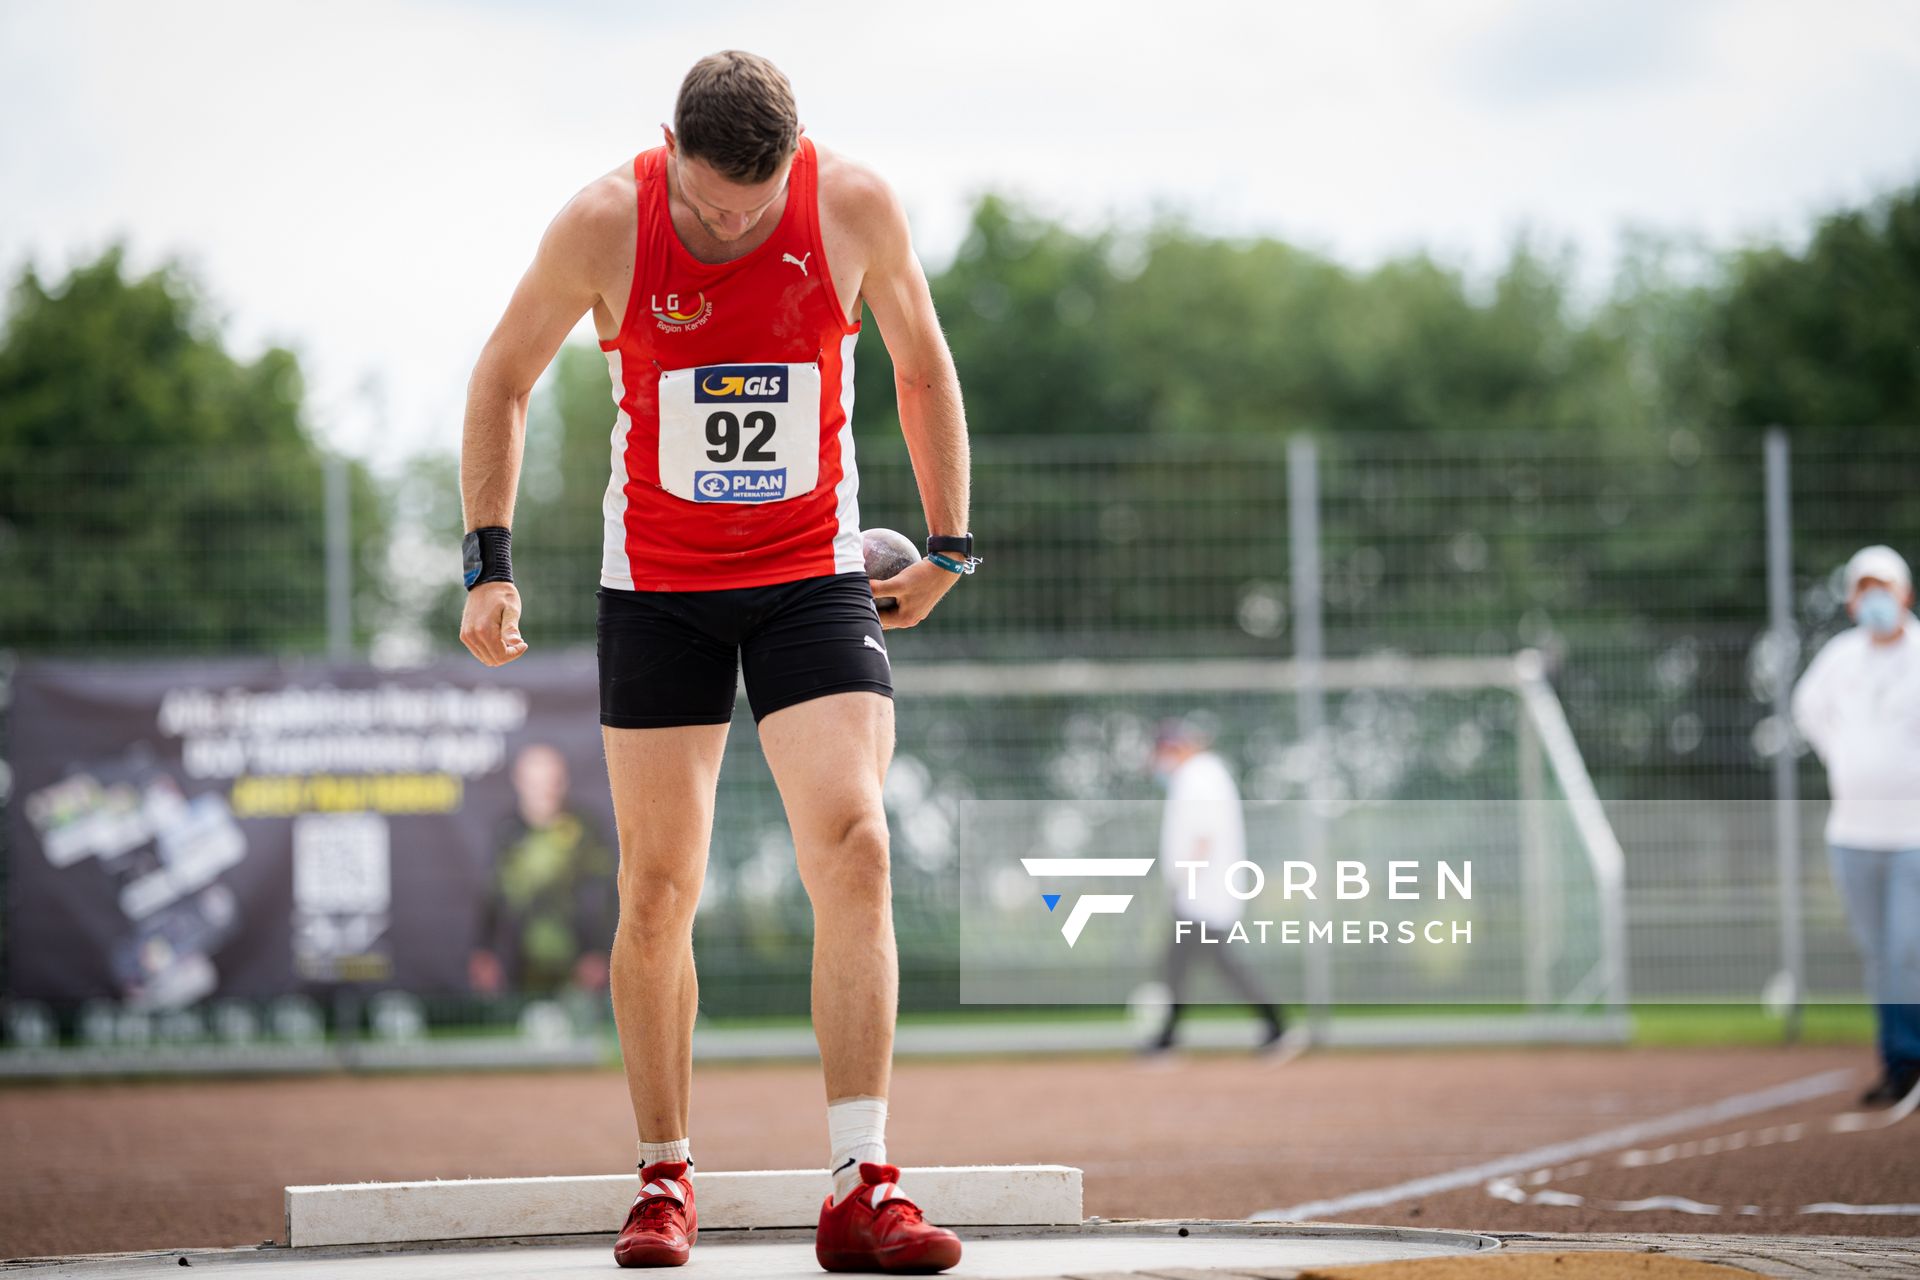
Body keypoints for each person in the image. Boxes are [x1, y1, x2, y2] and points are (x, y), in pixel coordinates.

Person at [457, 51, 978, 1272]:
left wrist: (949, 544)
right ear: (669, 150)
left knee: (855, 843)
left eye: (757, 202)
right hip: (662, 592)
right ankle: (664, 1172)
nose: (735, 225)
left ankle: (861, 1179)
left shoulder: (850, 204)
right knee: (655, 890)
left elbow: (921, 363)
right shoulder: (606, 223)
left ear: (796, 155)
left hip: (811, 575)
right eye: (710, 205)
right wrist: (488, 561)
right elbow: (502, 377)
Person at [1791, 544, 1920, 1108]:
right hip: (1852, 832)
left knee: (1907, 949)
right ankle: (1896, 1062)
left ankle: (1910, 1058)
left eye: (1883, 588)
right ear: (1851, 600)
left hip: (1913, 834)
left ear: (1904, 594)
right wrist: (1843, 756)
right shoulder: (1840, 659)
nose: (1875, 600)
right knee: (1878, 953)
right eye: (1864, 589)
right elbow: (1807, 710)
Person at [1143, 716, 1304, 1061]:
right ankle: (1167, 1037)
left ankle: (1277, 1025)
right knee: (1178, 963)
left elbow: (1203, 835)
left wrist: (1183, 880)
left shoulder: (1198, 777)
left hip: (1203, 891)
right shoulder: (1201, 776)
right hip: (1200, 891)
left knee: (1219, 963)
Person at [470, 742, 617, 998]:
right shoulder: (506, 832)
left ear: (564, 781)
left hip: (580, 966)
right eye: (536, 782)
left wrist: (600, 952)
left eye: (552, 781)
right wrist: (484, 950)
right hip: (519, 966)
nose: (545, 790)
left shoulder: (585, 829)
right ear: (519, 782)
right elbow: (492, 894)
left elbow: (606, 894)